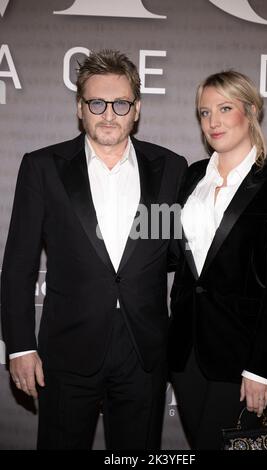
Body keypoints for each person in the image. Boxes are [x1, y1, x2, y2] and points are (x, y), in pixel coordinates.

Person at [1, 49, 187, 450]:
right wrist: (19, 345)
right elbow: (18, 266)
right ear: (79, 108)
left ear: (136, 109)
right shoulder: (43, 167)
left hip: (143, 351)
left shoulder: (170, 167)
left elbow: (169, 252)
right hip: (67, 351)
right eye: (97, 103)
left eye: (121, 103)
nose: (109, 114)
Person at [168, 70, 267, 450]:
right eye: (204, 112)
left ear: (252, 111)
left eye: (225, 108)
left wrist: (261, 368)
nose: (213, 121)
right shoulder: (192, 176)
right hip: (186, 351)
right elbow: (172, 252)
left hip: (242, 354)